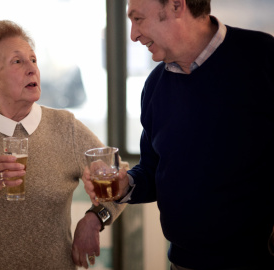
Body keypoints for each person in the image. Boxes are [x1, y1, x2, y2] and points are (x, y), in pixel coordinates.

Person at [81, 0, 274, 269]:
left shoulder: (262, 57)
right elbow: (151, 171)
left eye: (138, 19)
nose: (133, 35)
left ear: (175, 6)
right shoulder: (155, 85)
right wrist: (125, 186)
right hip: (181, 263)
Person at [0, 20, 126, 270]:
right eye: (17, 62)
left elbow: (123, 178)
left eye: (33, 60)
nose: (32, 69)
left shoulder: (65, 126)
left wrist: (95, 219)